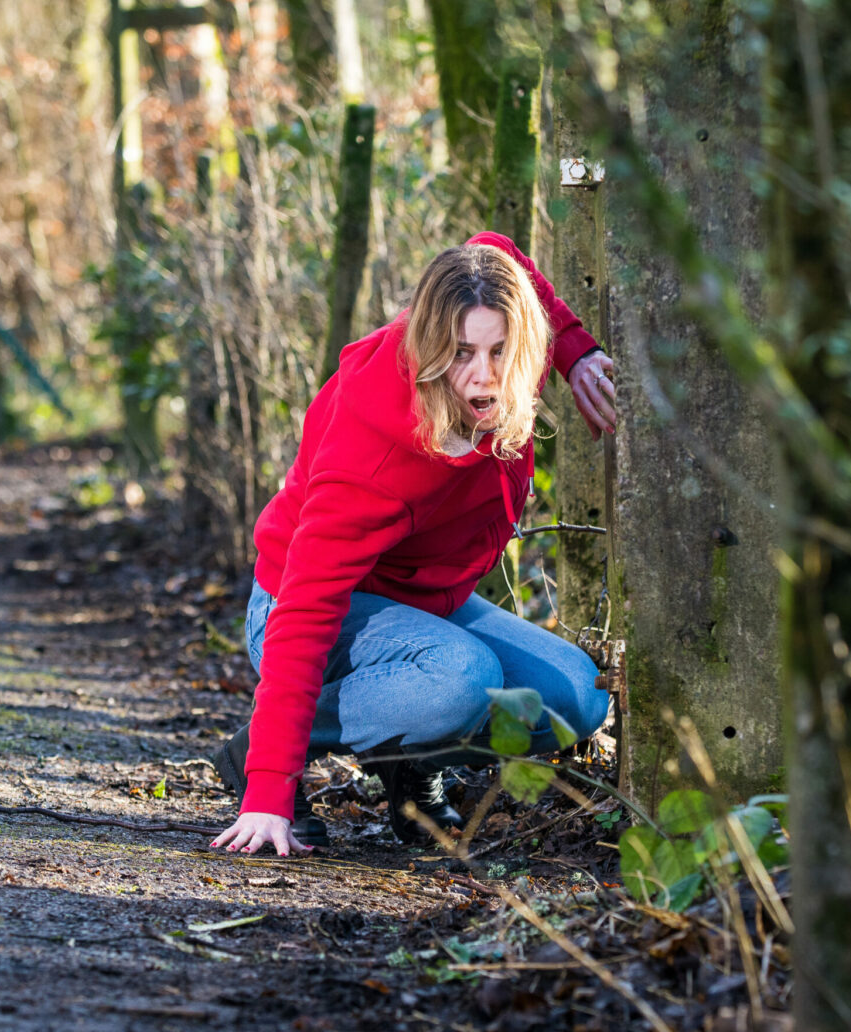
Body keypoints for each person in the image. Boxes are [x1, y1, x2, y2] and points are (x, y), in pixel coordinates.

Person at [209, 232, 618, 856]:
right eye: (459, 354)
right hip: (299, 607)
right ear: (430, 349)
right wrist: (269, 786)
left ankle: (408, 757)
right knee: (460, 679)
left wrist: (575, 350)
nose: (484, 378)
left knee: (574, 696)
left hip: (420, 602)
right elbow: (306, 609)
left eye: (502, 351)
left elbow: (491, 247)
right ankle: (258, 751)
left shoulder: (507, 349)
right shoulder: (371, 457)